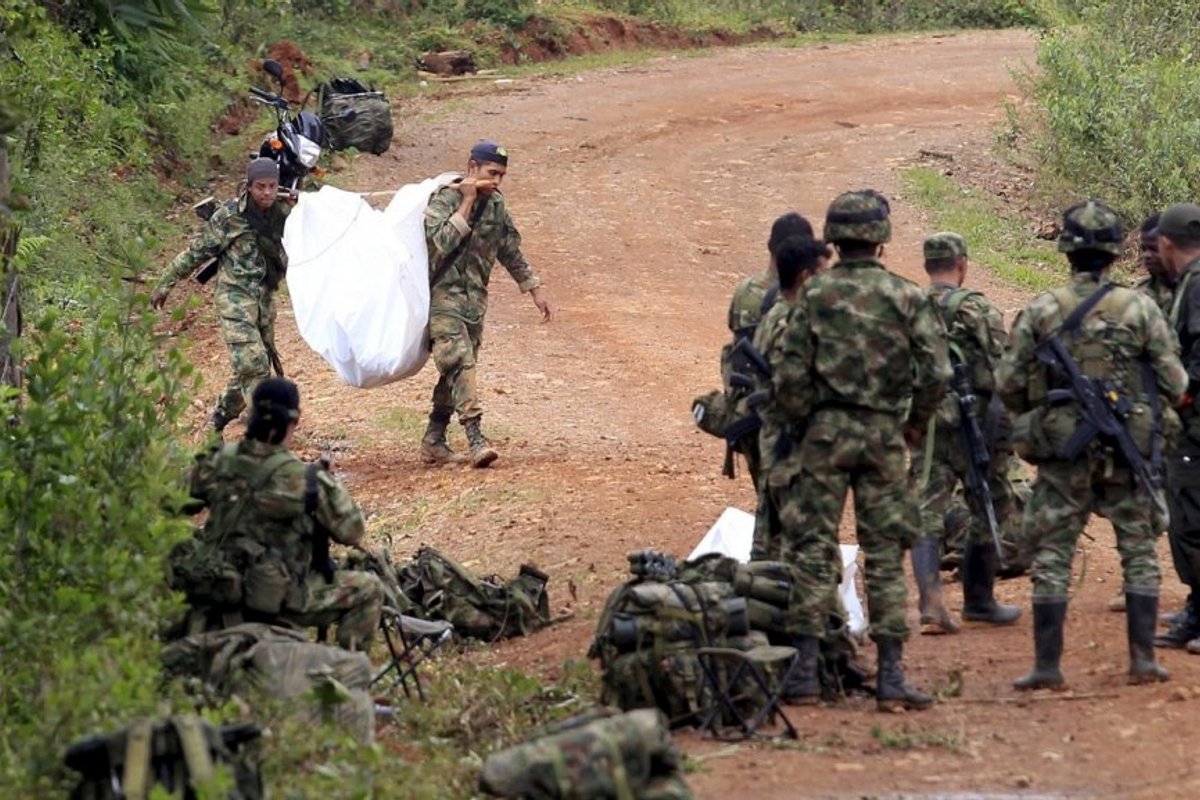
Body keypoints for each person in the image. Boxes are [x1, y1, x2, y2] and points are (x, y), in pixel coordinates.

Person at [773, 190, 951, 712]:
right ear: (880, 239)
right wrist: (914, 424)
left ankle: (805, 673)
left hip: (824, 436)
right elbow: (937, 372)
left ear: (833, 237)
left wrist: (808, 420)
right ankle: (891, 677)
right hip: (882, 436)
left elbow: (788, 375)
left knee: (810, 547)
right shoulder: (907, 296)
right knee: (885, 553)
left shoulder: (813, 295)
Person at [997, 200, 1185, 689]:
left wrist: (1038, 419)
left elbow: (1010, 381)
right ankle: (1142, 660)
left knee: (1054, 554)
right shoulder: (1140, 307)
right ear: (1115, 251)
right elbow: (1174, 377)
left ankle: (1047, 666)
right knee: (1140, 549)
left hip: (1066, 451)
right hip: (1128, 448)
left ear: (1065, 251)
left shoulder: (1043, 308)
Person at [185, 378, 384, 651]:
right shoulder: (308, 480)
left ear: (251, 416)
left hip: (219, 591)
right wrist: (328, 484)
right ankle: (342, 671)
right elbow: (352, 532)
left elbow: (170, 503)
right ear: (295, 421)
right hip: (280, 599)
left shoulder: (215, 462)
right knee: (368, 588)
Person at [908, 232, 1021, 636]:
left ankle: (931, 601)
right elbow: (1004, 370)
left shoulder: (910, 307)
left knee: (925, 508)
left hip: (927, 424)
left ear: (927, 266)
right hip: (975, 424)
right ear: (962, 264)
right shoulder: (977, 309)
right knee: (991, 502)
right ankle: (979, 599)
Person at [421, 140, 554, 469]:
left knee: (456, 372)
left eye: (502, 176)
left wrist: (533, 287)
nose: (496, 181)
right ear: (472, 168)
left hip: (475, 303)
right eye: (491, 173)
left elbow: (509, 249)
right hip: (442, 299)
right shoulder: (444, 199)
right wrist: (466, 201)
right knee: (458, 363)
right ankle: (476, 437)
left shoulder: (496, 205)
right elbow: (439, 244)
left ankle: (434, 438)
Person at [152, 158, 293, 435]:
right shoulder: (229, 218)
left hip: (264, 300)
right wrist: (165, 283)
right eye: (260, 187)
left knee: (251, 365)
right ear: (248, 187)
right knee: (254, 365)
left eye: (272, 187)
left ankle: (218, 418)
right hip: (234, 299)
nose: (266, 193)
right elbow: (196, 253)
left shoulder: (285, 212)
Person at [750, 233, 830, 704]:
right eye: (822, 273)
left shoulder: (772, 315)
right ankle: (802, 670)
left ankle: (766, 655)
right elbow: (796, 394)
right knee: (810, 559)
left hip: (777, 452)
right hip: (796, 454)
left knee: (772, 550)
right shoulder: (795, 323)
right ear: (805, 276)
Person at [1110, 212, 1175, 614]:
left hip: (1184, 409)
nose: (1149, 256)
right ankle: (1135, 578)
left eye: (1156, 248)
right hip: (1147, 414)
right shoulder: (1138, 299)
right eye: (1144, 248)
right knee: (1139, 498)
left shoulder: (1193, 292)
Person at [723, 212, 815, 486]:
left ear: (769, 247)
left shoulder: (745, 292)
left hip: (750, 410)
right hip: (798, 417)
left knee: (768, 495)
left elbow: (735, 341)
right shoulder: (811, 297)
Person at [1155, 202, 1200, 650]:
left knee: (1190, 519)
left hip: (1195, 424)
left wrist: (1184, 391)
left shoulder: (1197, 285)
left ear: (1166, 243)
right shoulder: (1190, 283)